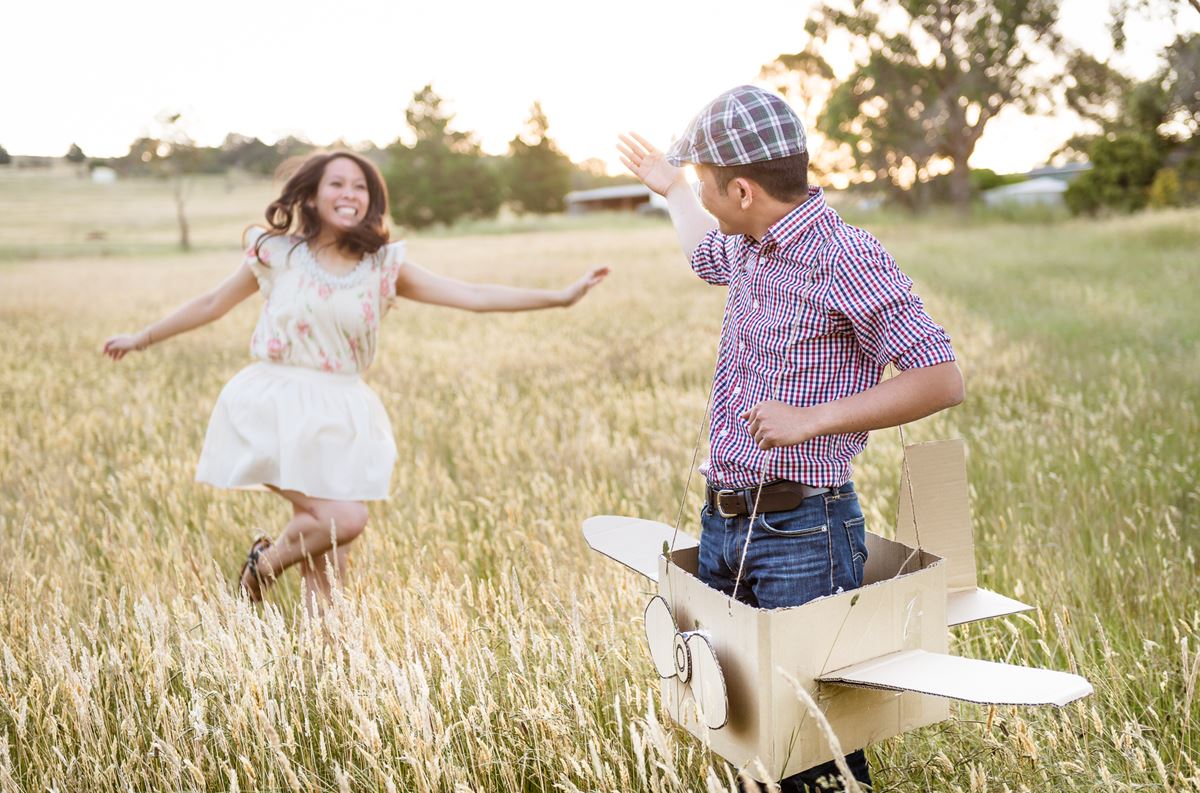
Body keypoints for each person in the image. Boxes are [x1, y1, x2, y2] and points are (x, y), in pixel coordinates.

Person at [618, 86, 964, 791]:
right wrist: (676, 190)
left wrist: (813, 418)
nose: (706, 201)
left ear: (743, 189)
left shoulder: (845, 255)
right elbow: (701, 255)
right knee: (740, 717)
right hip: (726, 522)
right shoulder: (749, 246)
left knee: (810, 737)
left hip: (805, 529)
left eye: (709, 187)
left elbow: (940, 376)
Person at [103, 150, 608, 615]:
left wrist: (560, 298)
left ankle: (321, 666)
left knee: (330, 561)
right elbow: (212, 303)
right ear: (312, 196)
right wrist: (141, 337)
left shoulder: (383, 266)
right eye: (337, 184)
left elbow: (472, 294)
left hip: (342, 411)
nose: (350, 193)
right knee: (344, 519)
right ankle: (261, 570)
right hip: (273, 402)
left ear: (372, 200)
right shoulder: (276, 253)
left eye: (361, 187)